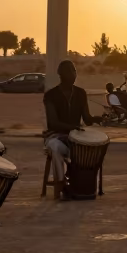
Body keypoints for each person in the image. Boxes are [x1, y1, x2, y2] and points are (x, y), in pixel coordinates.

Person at [42, 60, 97, 200]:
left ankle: (82, 184)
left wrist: (98, 119)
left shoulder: (81, 93)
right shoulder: (50, 95)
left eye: (74, 71)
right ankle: (61, 185)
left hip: (74, 139)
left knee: (89, 150)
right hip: (55, 136)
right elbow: (53, 123)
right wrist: (73, 127)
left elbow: (87, 119)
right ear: (61, 74)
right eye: (70, 71)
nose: (74, 74)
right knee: (55, 148)